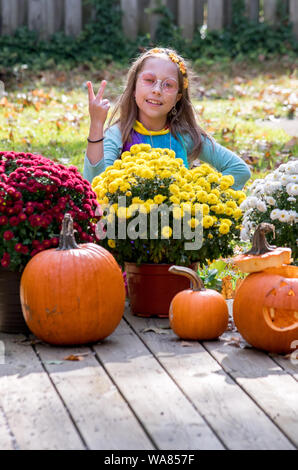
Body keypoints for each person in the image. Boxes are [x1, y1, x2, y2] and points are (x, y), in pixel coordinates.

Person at [84, 47, 251, 190]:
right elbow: (95, 185)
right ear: (134, 88)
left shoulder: (185, 136)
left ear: (178, 97)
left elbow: (239, 170)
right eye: (149, 80)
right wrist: (97, 124)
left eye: (168, 85)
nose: (157, 90)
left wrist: (200, 197)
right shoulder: (118, 135)